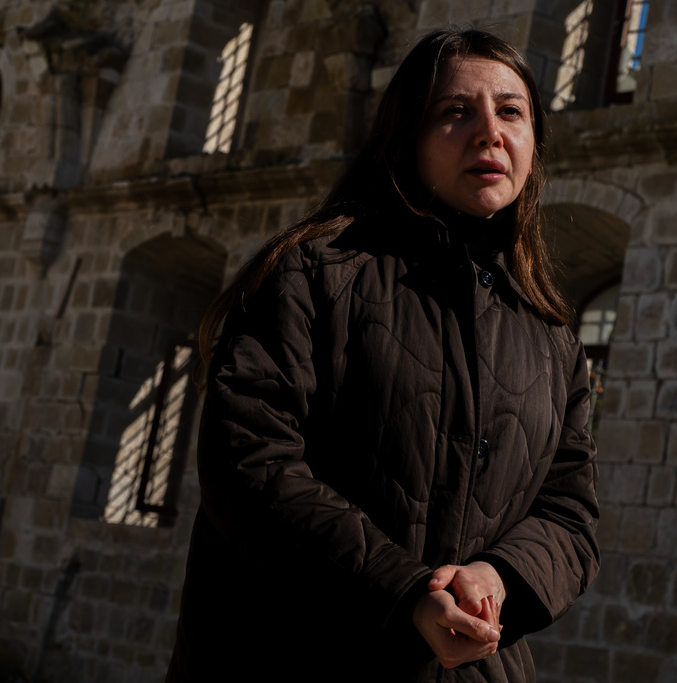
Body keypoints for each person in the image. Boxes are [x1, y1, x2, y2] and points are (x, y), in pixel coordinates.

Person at [166, 28, 599, 683]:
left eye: (511, 112)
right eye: (456, 112)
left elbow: (570, 516)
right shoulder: (314, 274)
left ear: (533, 145)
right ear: (407, 138)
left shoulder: (551, 336)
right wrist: (403, 592)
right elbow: (247, 462)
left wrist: (499, 576)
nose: (489, 131)